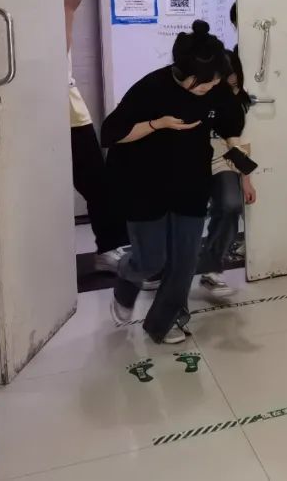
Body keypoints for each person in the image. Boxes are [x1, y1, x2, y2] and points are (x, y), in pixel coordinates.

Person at [102, 20, 244, 344]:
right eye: (205, 83)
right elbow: (111, 133)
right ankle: (126, 280)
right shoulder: (151, 88)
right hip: (144, 181)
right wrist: (158, 124)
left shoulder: (216, 87)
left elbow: (230, 121)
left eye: (216, 82)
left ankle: (164, 322)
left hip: (191, 180)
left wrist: (236, 150)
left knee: (184, 260)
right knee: (151, 260)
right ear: (184, 74)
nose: (212, 88)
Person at [62, 0, 129, 272]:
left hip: (70, 108)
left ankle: (111, 248)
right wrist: (68, 12)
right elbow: (57, 56)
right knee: (95, 184)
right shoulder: (51, 12)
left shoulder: (59, 12)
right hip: (51, 109)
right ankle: (111, 248)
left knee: (99, 184)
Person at [197, 3, 257, 298]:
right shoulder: (202, 93)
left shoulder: (241, 100)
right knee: (182, 217)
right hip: (192, 156)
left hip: (223, 157)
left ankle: (211, 268)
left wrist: (245, 178)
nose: (231, 79)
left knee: (231, 205)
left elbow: (236, 140)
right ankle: (156, 265)